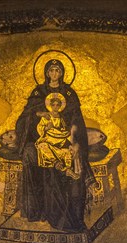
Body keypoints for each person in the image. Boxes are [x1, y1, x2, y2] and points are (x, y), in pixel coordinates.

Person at [15, 59, 95, 232]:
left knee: (75, 158)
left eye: (57, 71)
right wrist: (39, 114)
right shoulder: (38, 92)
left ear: (62, 73)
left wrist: (74, 140)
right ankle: (36, 209)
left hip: (65, 139)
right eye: (51, 70)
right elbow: (24, 119)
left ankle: (74, 216)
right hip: (42, 139)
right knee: (31, 153)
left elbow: (76, 121)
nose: (54, 74)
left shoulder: (69, 94)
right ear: (46, 73)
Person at [34, 93, 79, 180]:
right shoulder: (46, 116)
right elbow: (39, 128)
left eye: (57, 105)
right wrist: (47, 128)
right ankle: (56, 163)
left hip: (59, 140)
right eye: (53, 105)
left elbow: (64, 129)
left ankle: (69, 170)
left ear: (60, 106)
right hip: (49, 139)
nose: (55, 107)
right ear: (50, 105)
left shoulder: (61, 118)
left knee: (67, 152)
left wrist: (62, 132)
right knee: (42, 146)